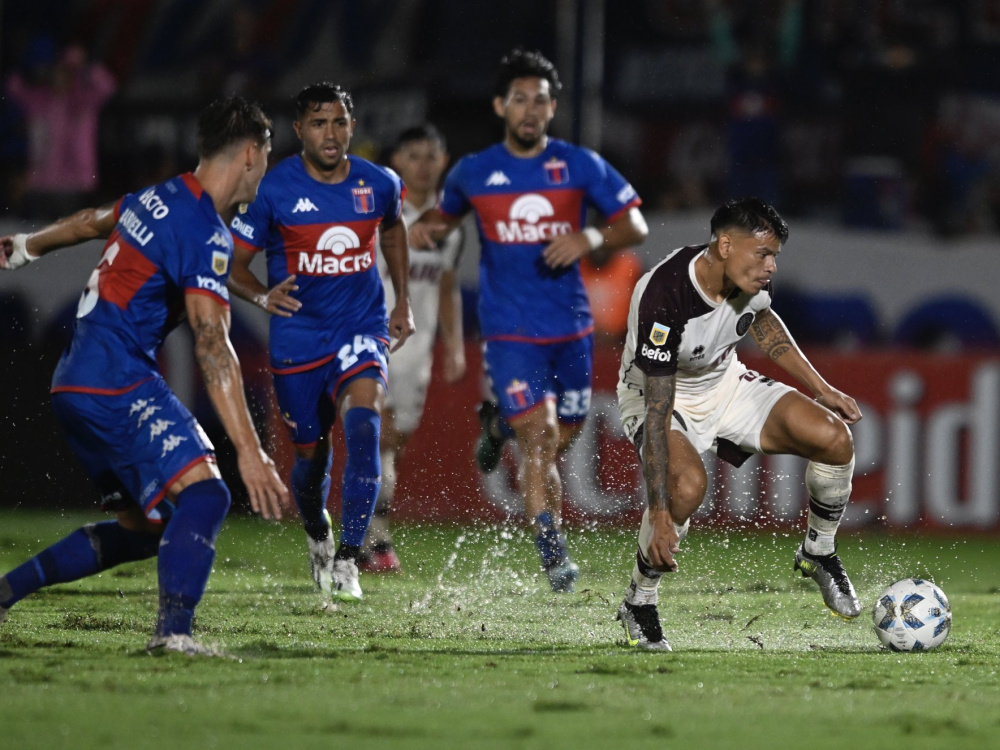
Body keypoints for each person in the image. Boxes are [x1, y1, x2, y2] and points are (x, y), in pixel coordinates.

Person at [0, 95, 287, 655]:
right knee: (207, 495)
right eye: (268, 158)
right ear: (251, 153)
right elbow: (212, 344)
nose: (265, 171)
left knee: (144, 530)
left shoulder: (160, 195)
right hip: (117, 380)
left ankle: (6, 592)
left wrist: (26, 248)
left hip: (73, 382)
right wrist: (251, 451)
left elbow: (91, 221)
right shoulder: (204, 230)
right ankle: (173, 635)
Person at [409, 49, 648, 592]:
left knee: (563, 436)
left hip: (571, 328)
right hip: (509, 330)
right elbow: (441, 220)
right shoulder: (474, 171)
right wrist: (422, 230)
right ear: (500, 106)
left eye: (540, 100)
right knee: (539, 439)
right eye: (520, 99)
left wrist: (589, 236)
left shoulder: (578, 164)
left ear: (552, 107)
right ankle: (553, 550)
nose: (530, 110)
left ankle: (497, 425)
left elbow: (634, 223)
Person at [614, 197, 862, 651]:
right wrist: (661, 513)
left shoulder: (748, 277)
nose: (771, 267)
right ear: (725, 245)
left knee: (834, 438)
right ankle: (639, 599)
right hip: (659, 396)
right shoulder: (665, 295)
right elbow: (657, 410)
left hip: (725, 382)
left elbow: (762, 320)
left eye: (774, 257)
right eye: (763, 254)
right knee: (686, 488)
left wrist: (821, 388)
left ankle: (819, 551)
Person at [227, 82, 413, 601]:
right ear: (299, 130)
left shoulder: (380, 183)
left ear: (351, 126)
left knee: (365, 427)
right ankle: (317, 531)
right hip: (299, 339)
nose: (329, 134)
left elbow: (393, 229)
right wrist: (261, 296)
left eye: (338, 122)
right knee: (310, 459)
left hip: (361, 329)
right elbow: (232, 265)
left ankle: (350, 558)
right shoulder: (272, 189)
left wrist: (402, 301)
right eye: (318, 123)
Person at [360, 124, 466, 573]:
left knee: (395, 445)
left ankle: (368, 530)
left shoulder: (449, 226)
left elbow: (447, 286)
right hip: (377, 341)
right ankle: (373, 538)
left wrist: (454, 346)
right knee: (380, 437)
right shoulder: (381, 215)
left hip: (418, 351)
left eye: (431, 156)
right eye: (413, 156)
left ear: (444, 162)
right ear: (397, 161)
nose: (423, 165)